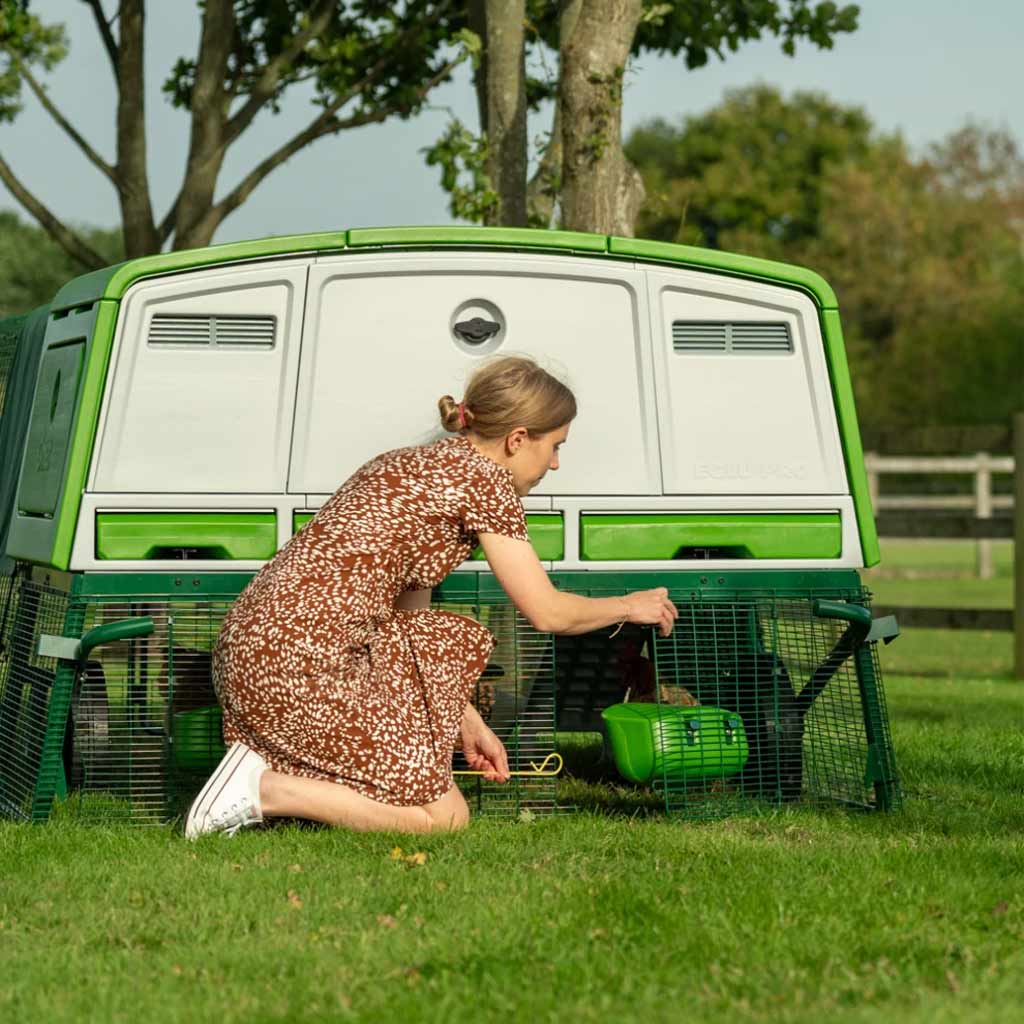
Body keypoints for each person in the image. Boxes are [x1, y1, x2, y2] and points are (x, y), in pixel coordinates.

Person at [185, 355, 678, 838]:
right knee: (443, 819)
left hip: (251, 650)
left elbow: (409, 628)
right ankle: (263, 789)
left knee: (424, 788)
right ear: (518, 439)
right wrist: (630, 606)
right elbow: (546, 611)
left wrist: (465, 720)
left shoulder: (405, 464)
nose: (554, 462)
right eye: (554, 446)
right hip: (302, 665)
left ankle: (258, 775)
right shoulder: (486, 484)